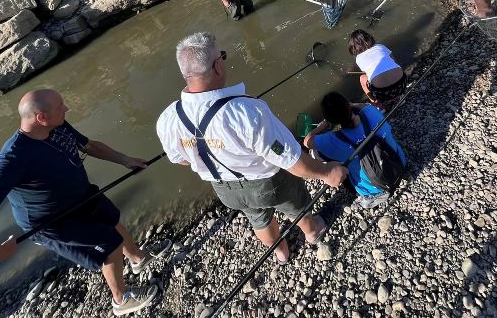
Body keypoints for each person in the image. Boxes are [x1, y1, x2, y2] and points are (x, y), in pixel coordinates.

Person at [0, 90, 168, 317]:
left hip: (81, 197)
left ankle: (138, 259)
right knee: (109, 245)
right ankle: (121, 300)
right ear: (41, 117)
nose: (66, 109)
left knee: (112, 221)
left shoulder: (57, 125)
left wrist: (125, 160)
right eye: (61, 106)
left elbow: (90, 146)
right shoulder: (11, 160)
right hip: (52, 222)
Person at [156, 32, 348, 264]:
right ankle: (312, 231)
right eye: (223, 57)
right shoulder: (247, 112)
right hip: (268, 183)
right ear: (218, 66)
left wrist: (217, 155)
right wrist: (328, 173)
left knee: (257, 217)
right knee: (296, 203)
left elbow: (180, 159)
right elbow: (292, 161)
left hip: (225, 191)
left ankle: (281, 251)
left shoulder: (167, 119)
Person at [303, 92, 407, 209]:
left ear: (331, 120)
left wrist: (323, 125)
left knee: (316, 152)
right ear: (348, 106)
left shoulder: (333, 139)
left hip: (374, 191)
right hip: (398, 164)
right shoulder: (370, 111)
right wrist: (351, 104)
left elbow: (307, 142)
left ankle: (369, 198)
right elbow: (364, 106)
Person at [348, 29, 406, 108]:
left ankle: (376, 103)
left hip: (382, 93)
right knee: (392, 67)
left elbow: (368, 73)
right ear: (369, 38)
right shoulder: (380, 46)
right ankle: (398, 98)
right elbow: (393, 60)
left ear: (353, 47)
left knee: (362, 78)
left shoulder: (358, 58)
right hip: (402, 84)